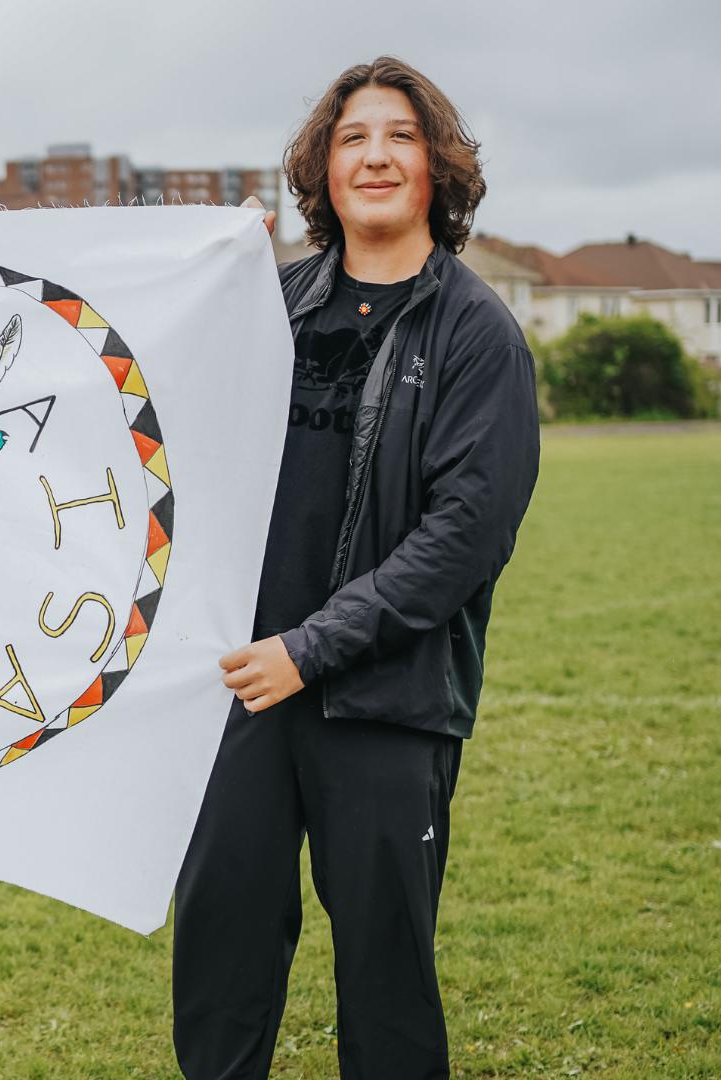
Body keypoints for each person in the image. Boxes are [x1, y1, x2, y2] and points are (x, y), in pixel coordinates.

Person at [173, 57, 540, 1079]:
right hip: (242, 692)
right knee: (220, 962)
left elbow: (463, 537)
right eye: (351, 138)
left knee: (385, 981)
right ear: (322, 171)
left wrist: (313, 647)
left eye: (399, 136)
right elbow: (173, 444)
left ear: (439, 168)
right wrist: (204, 280)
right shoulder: (270, 305)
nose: (374, 154)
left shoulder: (476, 333)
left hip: (385, 701)